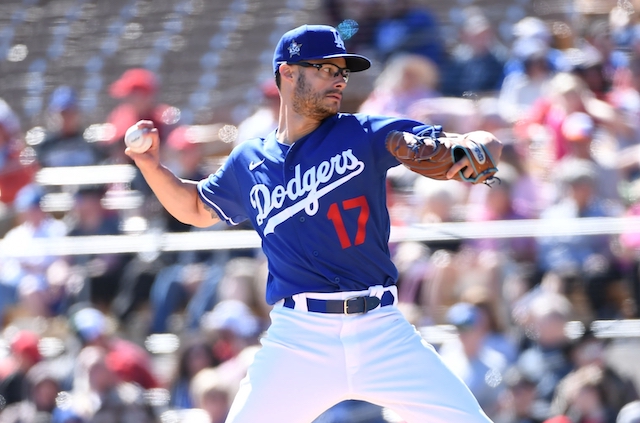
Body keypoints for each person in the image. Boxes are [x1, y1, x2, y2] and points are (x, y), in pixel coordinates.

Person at [124, 24, 502, 423]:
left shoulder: (365, 133)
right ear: (288, 72)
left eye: (343, 71)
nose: (339, 79)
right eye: (326, 68)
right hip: (298, 338)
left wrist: (470, 148)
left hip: (382, 328)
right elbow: (196, 207)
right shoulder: (249, 160)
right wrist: (149, 163)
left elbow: (481, 146)